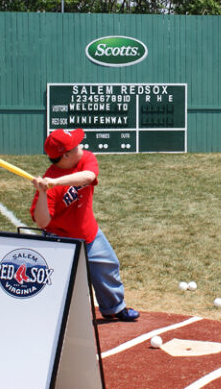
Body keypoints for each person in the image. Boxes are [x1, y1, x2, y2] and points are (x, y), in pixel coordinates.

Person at [30, 128, 139, 321]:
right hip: (60, 240)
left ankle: (114, 307)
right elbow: (42, 222)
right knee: (59, 283)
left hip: (89, 233)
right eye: (76, 145)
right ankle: (49, 318)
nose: (81, 146)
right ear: (66, 154)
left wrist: (55, 182)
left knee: (108, 266)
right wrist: (44, 193)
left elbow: (88, 177)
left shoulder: (84, 159)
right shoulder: (49, 184)